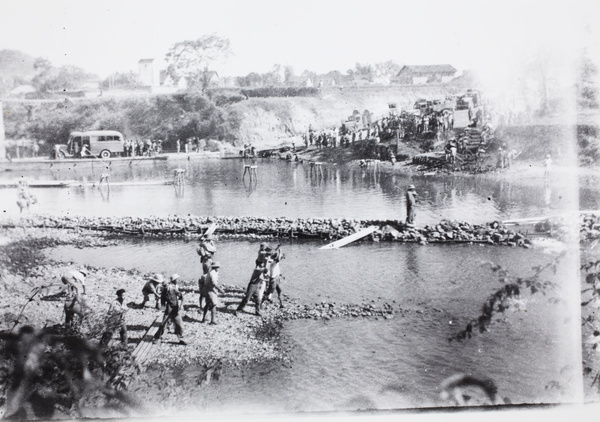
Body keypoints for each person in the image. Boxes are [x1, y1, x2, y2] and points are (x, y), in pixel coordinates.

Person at [154, 274, 186, 345]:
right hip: (170, 307)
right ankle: (157, 337)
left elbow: (182, 297)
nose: (178, 280)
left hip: (175, 307)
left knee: (179, 324)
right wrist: (162, 308)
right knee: (164, 324)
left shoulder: (173, 288)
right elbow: (162, 300)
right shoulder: (167, 289)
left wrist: (181, 306)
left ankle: (181, 338)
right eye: (177, 279)